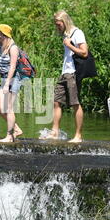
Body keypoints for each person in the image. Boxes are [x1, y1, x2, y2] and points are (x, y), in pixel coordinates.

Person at [40, 10, 88, 143]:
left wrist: (69, 45)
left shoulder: (77, 33)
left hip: (73, 73)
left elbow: (84, 52)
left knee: (75, 103)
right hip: (64, 72)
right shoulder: (66, 34)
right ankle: (54, 132)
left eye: (58, 24)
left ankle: (78, 136)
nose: (57, 27)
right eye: (56, 24)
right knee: (56, 102)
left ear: (65, 21)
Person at [0, 24, 26, 143]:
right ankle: (16, 129)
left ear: (5, 34)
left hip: (13, 79)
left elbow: (12, 67)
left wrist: (7, 84)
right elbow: (0, 65)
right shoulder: (1, 46)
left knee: (8, 108)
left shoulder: (13, 48)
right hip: (3, 78)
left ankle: (10, 136)